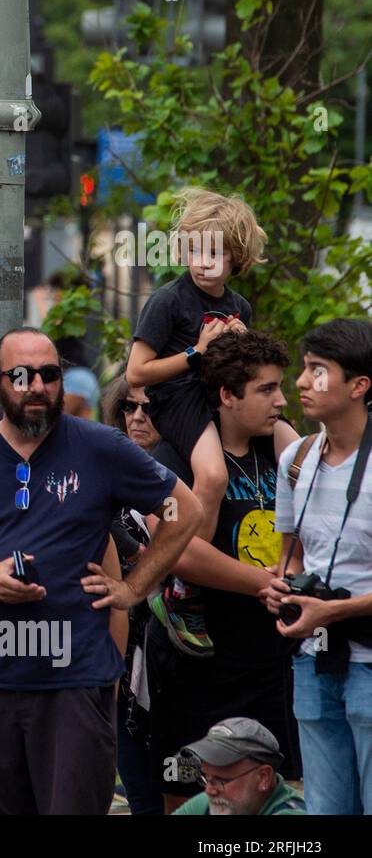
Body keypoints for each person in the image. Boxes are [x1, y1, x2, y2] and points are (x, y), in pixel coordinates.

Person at [0, 326, 202, 814]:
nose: (37, 386)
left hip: (71, 686)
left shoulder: (100, 446)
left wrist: (134, 588)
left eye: (49, 374)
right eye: (21, 375)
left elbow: (185, 510)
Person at [126, 188, 291, 654]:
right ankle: (184, 587)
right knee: (213, 475)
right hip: (178, 397)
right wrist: (196, 351)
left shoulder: (240, 305)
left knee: (293, 450)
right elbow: (137, 372)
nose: (203, 262)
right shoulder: (169, 300)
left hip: (219, 398)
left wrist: (239, 347)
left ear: (235, 257)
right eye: (195, 250)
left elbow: (246, 373)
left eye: (215, 253)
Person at [143, 331, 301, 812]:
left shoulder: (278, 451)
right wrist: (262, 582)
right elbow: (178, 552)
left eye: (280, 386)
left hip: (271, 658)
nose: (281, 400)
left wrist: (292, 569)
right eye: (266, 390)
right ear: (227, 396)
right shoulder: (173, 458)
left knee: (282, 793)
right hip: (196, 662)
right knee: (193, 798)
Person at [264, 318, 372, 815]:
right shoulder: (297, 458)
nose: (302, 383)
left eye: (317, 371)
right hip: (313, 656)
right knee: (325, 808)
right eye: (304, 370)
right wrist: (281, 589)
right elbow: (292, 555)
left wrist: (335, 611)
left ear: (358, 385)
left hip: (368, 657)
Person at [99, 375, 167, 815]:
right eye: (129, 407)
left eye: (150, 407)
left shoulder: (181, 473)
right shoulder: (102, 472)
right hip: (120, 651)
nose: (138, 417)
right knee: (140, 789)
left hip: (173, 653)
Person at [172, 718, 305, 815]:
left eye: (220, 780)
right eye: (206, 777)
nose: (209, 790)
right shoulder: (210, 802)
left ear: (263, 777)